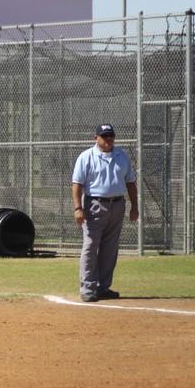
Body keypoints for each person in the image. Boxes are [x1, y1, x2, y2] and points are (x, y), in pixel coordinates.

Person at [71, 124, 139, 302]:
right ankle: (88, 287)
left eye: (111, 136)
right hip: (94, 205)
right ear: (96, 138)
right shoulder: (86, 157)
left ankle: (103, 287)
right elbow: (77, 184)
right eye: (104, 136)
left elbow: (131, 182)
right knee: (91, 246)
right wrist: (78, 208)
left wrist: (135, 206)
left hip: (117, 205)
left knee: (110, 248)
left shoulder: (121, 155)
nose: (108, 139)